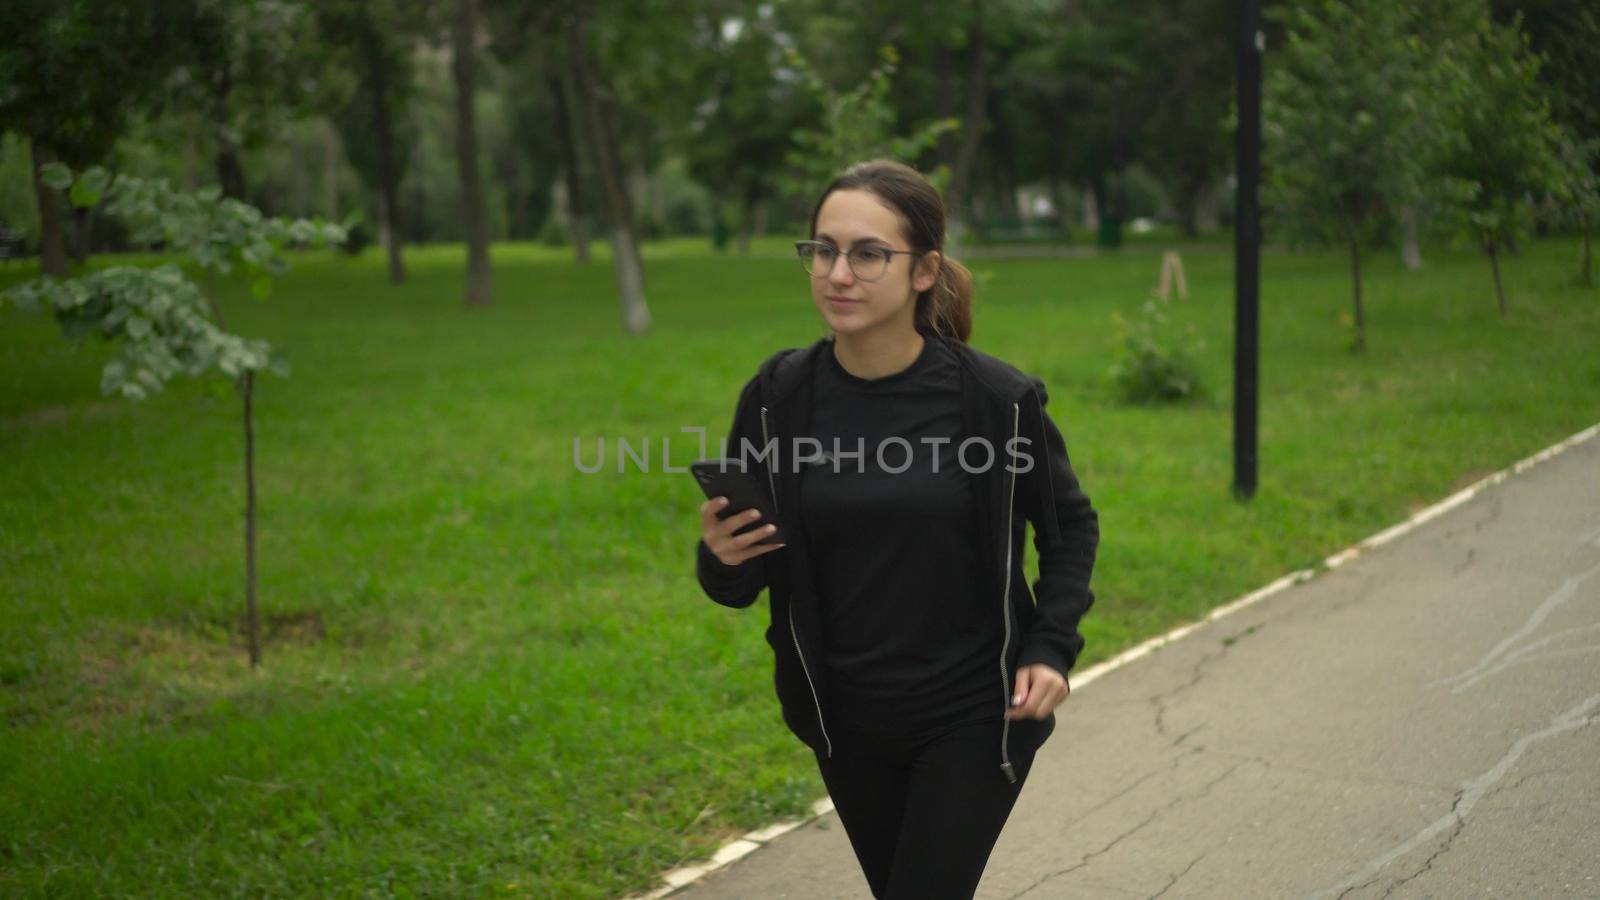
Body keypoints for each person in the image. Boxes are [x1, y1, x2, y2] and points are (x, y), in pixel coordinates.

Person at [694, 158, 1100, 900]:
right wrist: (720, 558)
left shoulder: (996, 401)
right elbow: (740, 575)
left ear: (924, 271)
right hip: (845, 721)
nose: (837, 273)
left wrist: (1050, 646)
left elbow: (1068, 524)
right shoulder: (777, 398)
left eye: (868, 253)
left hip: (972, 713)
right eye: (822, 249)